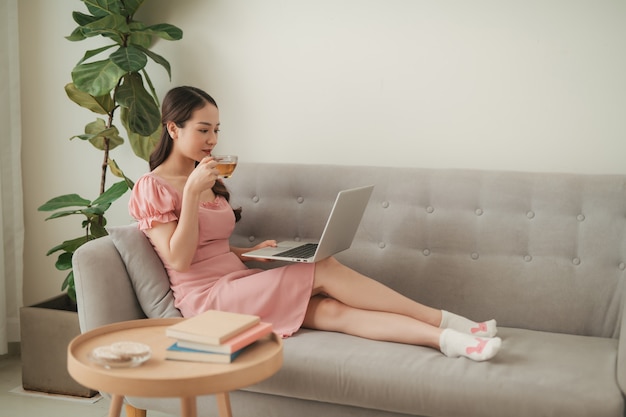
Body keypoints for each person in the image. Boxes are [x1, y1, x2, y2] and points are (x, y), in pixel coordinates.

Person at [128, 86, 502, 361]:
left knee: (332, 312)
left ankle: (449, 341)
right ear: (173, 129)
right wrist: (192, 194)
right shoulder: (153, 187)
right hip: (208, 301)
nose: (213, 139)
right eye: (203, 129)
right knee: (322, 267)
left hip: (239, 282)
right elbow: (179, 259)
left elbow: (210, 249)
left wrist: (250, 253)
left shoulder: (205, 176)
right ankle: (448, 320)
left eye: (217, 130)